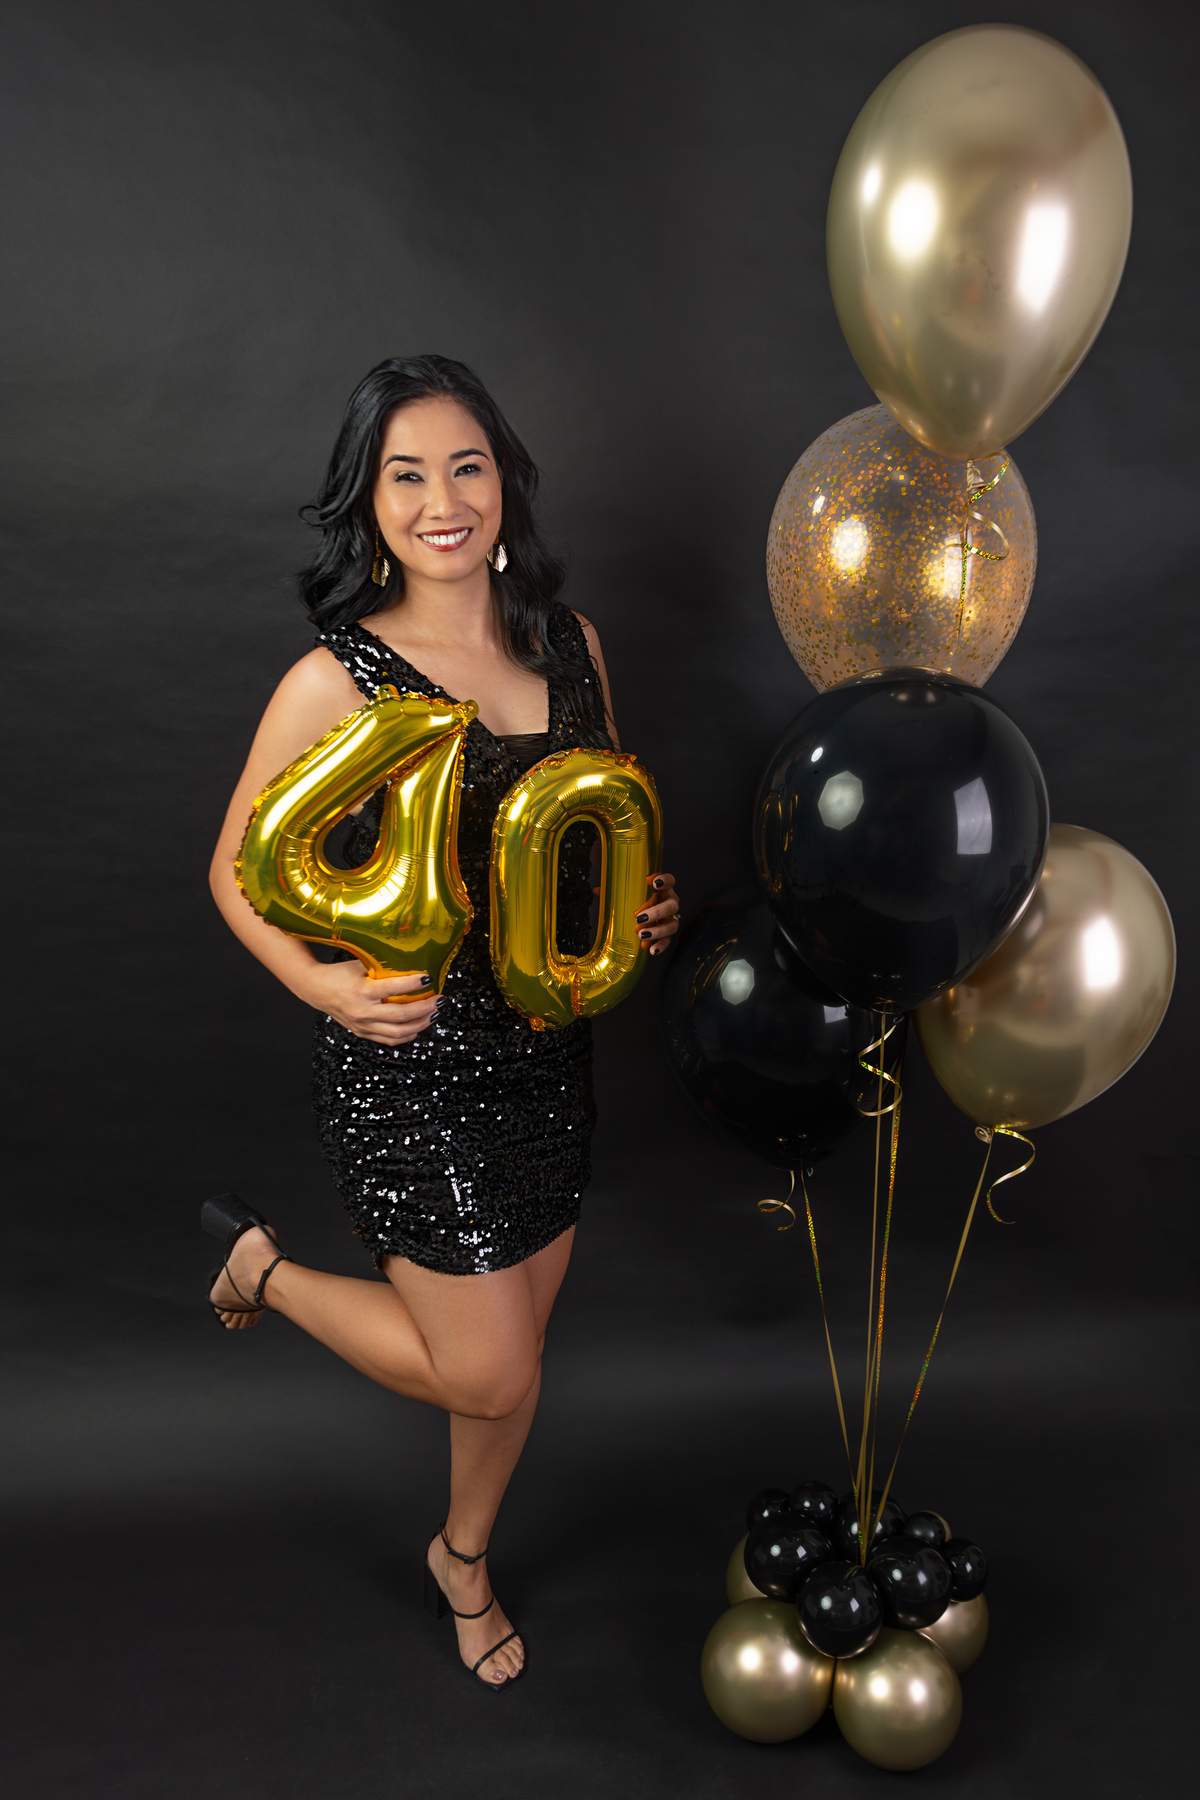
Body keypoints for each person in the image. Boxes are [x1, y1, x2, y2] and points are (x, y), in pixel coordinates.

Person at [206, 355, 680, 1688]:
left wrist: (647, 906)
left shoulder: (572, 647)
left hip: (550, 1059)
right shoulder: (337, 679)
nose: (442, 501)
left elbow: (602, 826)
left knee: (515, 1364)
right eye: (405, 476)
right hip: (411, 1075)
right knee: (491, 1372)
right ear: (369, 507)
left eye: (466, 467)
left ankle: (462, 1556)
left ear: (504, 485)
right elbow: (233, 870)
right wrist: (324, 986)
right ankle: (260, 1269)